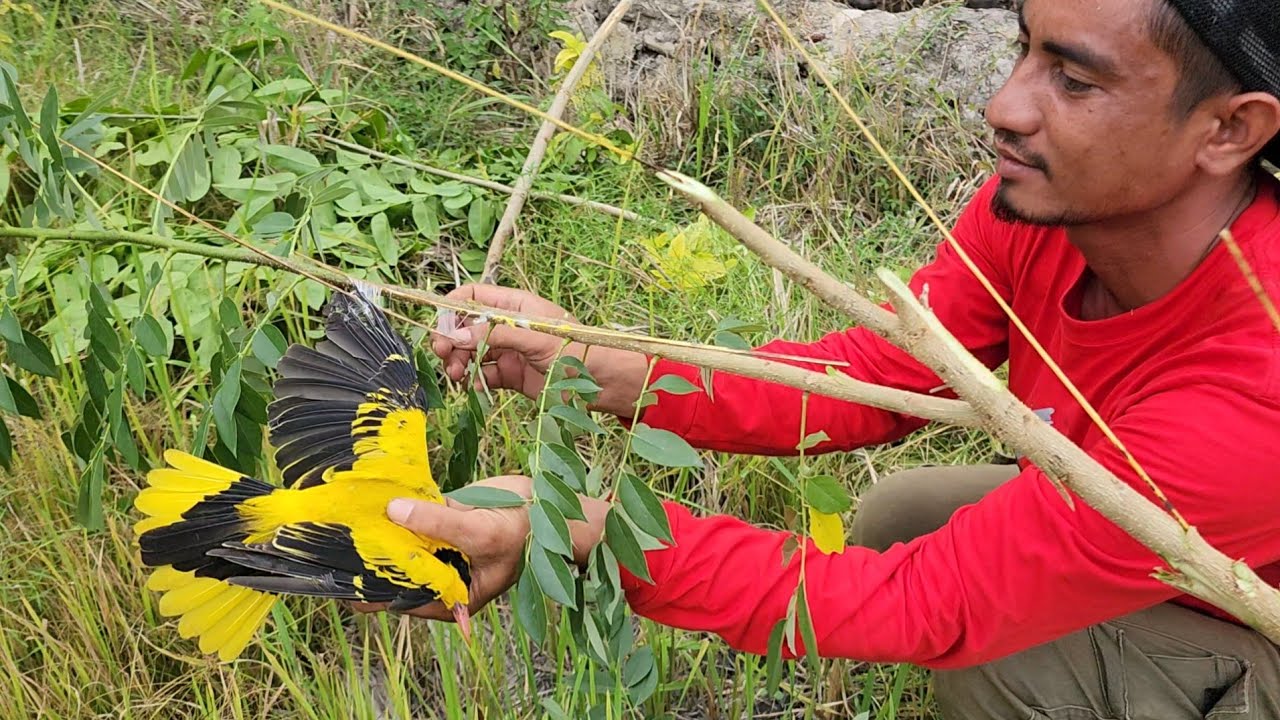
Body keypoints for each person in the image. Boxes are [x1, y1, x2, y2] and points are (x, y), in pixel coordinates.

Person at [371, 0, 1280, 716]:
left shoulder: (1258, 385)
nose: (1004, 105)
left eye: (1075, 81)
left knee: (1004, 655)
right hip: (1155, 555)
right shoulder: (1048, 213)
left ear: (1229, 130)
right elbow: (877, 377)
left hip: (1254, 624)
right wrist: (603, 365)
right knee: (908, 512)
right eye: (1026, 46)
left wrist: (595, 532)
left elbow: (929, 604)